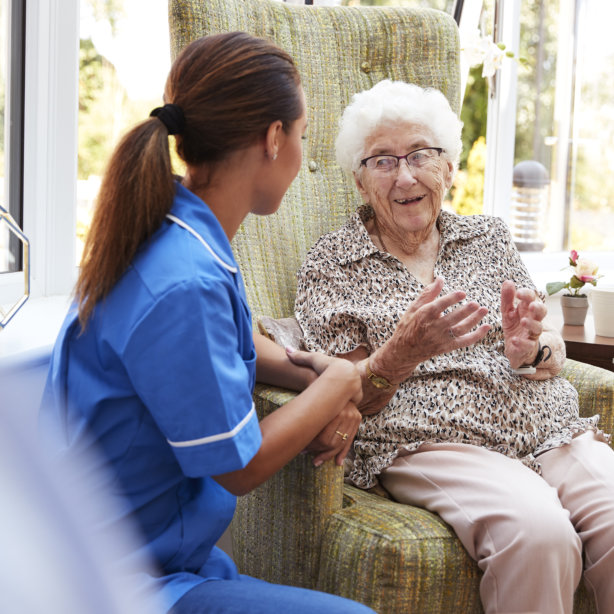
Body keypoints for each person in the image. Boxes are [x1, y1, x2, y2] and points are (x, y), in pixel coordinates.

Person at [39, 32, 375, 614]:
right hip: (113, 582)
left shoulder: (172, 231)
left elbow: (216, 345)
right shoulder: (185, 280)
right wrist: (339, 385)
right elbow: (237, 469)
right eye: (300, 135)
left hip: (151, 558)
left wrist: (307, 375)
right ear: (274, 139)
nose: (300, 153)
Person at [295, 79, 614, 614]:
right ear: (359, 180)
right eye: (382, 161)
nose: (405, 175)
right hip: (431, 440)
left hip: (546, 428)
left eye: (421, 154)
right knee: (539, 536)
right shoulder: (332, 266)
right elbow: (343, 396)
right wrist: (400, 352)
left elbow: (545, 345)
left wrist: (530, 350)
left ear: (448, 167)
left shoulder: (488, 238)